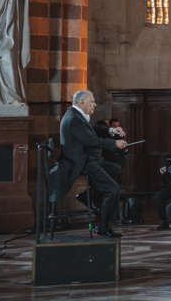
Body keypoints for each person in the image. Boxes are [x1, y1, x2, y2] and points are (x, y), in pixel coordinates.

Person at [52, 89, 127, 238]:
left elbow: (93, 130)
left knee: (115, 169)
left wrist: (111, 131)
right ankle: (103, 227)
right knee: (113, 190)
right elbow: (91, 140)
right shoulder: (73, 118)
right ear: (81, 102)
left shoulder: (76, 115)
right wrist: (114, 144)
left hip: (89, 160)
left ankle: (89, 195)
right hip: (82, 162)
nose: (94, 104)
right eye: (91, 101)